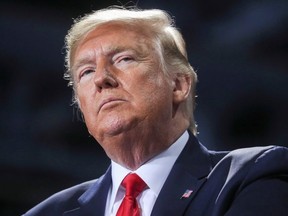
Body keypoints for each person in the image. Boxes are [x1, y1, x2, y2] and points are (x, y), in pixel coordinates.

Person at [23, 6, 288, 216]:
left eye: (124, 59)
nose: (101, 78)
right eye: (86, 71)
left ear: (179, 84)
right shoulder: (48, 212)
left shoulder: (249, 177)